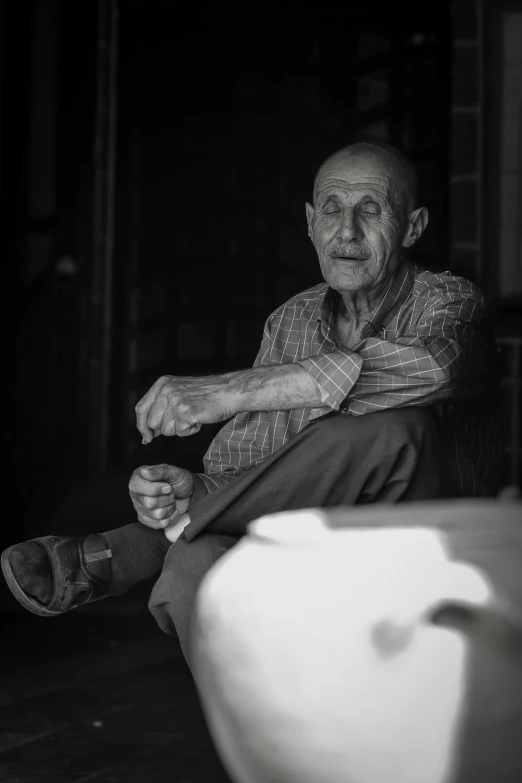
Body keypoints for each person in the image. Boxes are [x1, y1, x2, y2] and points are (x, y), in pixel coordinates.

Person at [2, 140, 502, 664]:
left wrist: (226, 391)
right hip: (310, 546)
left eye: (371, 210)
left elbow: (438, 367)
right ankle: (254, 731)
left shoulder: (449, 300)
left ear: (413, 228)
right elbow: (247, 473)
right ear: (310, 222)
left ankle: (137, 546)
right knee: (194, 561)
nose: (347, 230)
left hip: (427, 553)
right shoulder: (291, 320)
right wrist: (191, 489)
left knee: (393, 433)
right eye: (331, 208)